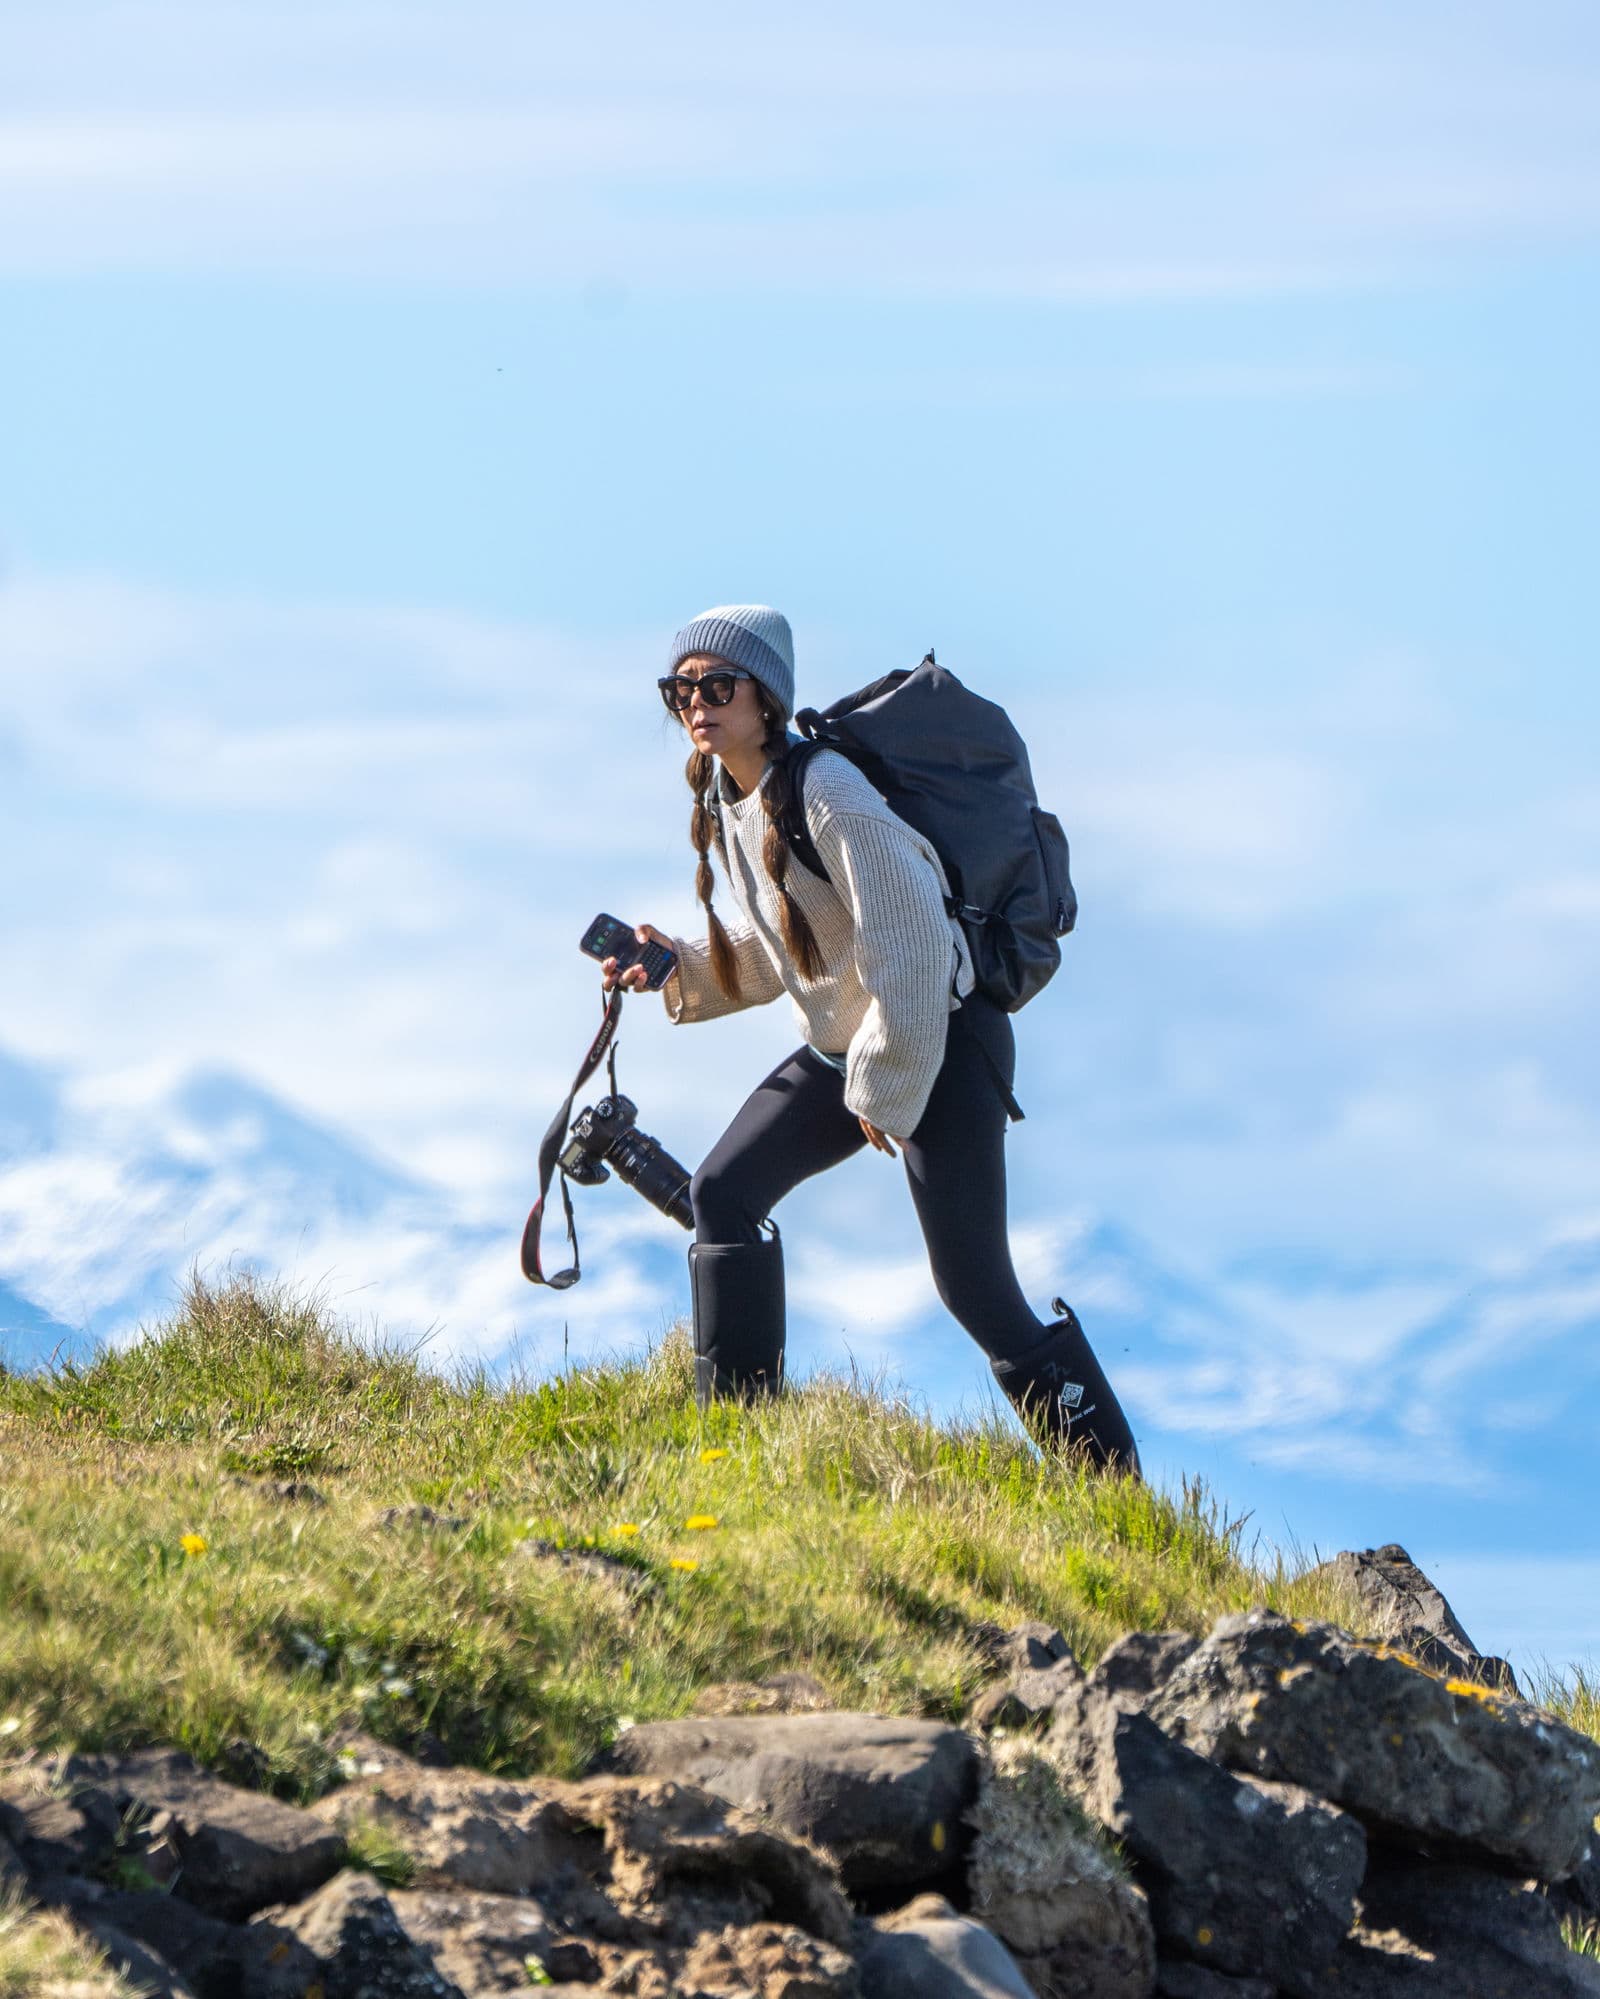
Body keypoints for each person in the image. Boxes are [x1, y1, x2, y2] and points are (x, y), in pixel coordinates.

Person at [602, 603, 1139, 1475]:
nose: (696, 703)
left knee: (978, 1293)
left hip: (944, 1040)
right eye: (680, 690)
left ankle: (1110, 1481)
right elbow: (797, 944)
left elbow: (914, 944)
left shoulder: (828, 792)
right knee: (722, 1192)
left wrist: (883, 1087)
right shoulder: (731, 798)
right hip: (855, 1042)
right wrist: (679, 968)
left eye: (718, 685)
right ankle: (736, 1441)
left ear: (767, 696)